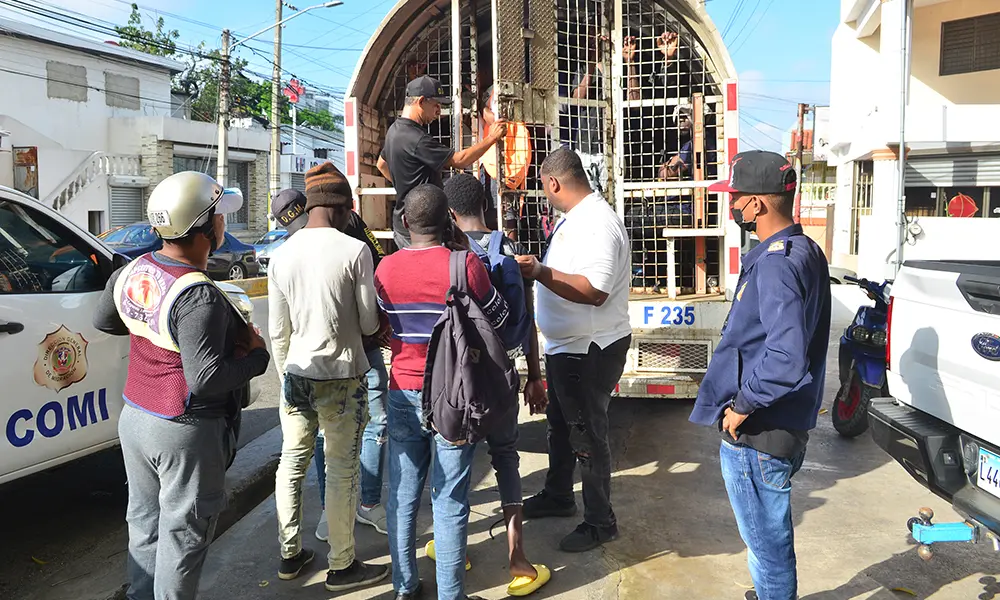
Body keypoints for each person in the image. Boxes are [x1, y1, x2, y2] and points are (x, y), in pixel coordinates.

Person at [93, 171, 270, 600]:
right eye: (219, 215)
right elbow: (206, 379)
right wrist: (258, 358)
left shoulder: (134, 269)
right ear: (205, 226)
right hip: (184, 428)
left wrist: (154, 330)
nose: (223, 222)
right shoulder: (197, 294)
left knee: (144, 523)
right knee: (184, 538)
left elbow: (105, 319)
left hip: (136, 416)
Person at [689, 150, 831, 600]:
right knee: (767, 542)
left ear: (756, 204)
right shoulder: (802, 249)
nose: (732, 206)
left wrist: (741, 406)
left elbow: (786, 357)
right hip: (783, 423)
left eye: (736, 198)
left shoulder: (776, 263)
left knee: (767, 547)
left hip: (760, 432)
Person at [374, 184, 509, 600]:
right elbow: (499, 319)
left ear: (405, 222)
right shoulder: (463, 264)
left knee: (402, 496)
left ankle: (405, 588)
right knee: (449, 499)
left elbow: (381, 327)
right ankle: (451, 594)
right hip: (454, 395)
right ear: (449, 219)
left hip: (402, 390)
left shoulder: (385, 270)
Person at [267, 163, 388, 592]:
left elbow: (278, 331)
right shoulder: (354, 251)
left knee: (292, 462)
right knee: (340, 470)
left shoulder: (280, 256)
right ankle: (342, 565)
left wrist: (287, 377)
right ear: (341, 208)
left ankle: (289, 555)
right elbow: (370, 323)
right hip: (342, 375)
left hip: (296, 374)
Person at [514, 149, 632, 553]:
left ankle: (600, 522)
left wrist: (539, 271)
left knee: (587, 434)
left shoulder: (598, 224)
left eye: (543, 188)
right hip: (569, 346)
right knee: (561, 426)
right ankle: (559, 493)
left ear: (553, 183)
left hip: (590, 349)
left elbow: (595, 291)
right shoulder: (576, 218)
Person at [441, 173, 551, 596]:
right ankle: (518, 559)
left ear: (451, 213)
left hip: (461, 381)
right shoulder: (508, 251)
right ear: (485, 206)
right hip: (503, 376)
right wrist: (535, 377)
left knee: (458, 465)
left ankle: (455, 550)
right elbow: (527, 323)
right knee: (506, 458)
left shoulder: (448, 254)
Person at [376, 74, 507, 250]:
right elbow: (460, 160)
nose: (439, 111)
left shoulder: (394, 131)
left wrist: (404, 187)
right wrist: (492, 138)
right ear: (421, 101)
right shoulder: (416, 138)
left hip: (404, 222)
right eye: (436, 105)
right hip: (422, 224)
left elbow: (381, 164)